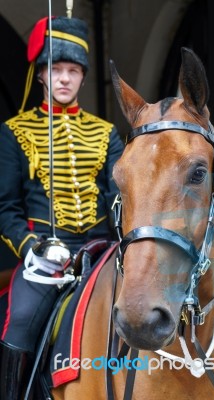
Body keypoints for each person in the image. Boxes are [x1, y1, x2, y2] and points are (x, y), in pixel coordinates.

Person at [0, 15, 124, 399]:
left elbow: (118, 196)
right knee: (18, 322)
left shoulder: (106, 134)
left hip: (101, 251)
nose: (65, 79)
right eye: (57, 69)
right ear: (41, 75)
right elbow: (5, 209)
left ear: (84, 77)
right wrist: (31, 248)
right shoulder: (14, 131)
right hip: (43, 255)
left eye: (73, 70)